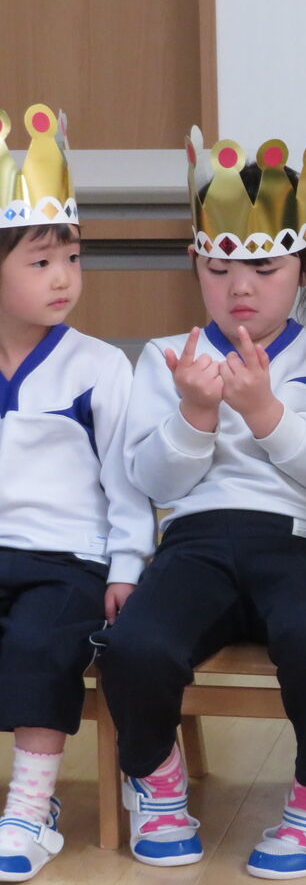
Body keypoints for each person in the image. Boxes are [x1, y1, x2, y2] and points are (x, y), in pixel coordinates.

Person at [91, 130, 306, 879]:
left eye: (264, 268)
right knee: (133, 644)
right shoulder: (168, 358)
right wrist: (196, 414)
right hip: (197, 544)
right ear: (197, 265)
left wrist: (266, 413)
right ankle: (154, 778)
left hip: (302, 541)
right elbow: (155, 482)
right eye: (218, 269)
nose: (239, 288)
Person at [0, 104, 154, 881]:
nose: (63, 277)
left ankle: (31, 807)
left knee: (40, 644)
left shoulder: (99, 367)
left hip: (68, 560)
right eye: (40, 261)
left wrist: (126, 565)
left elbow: (127, 480)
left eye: (72, 256)